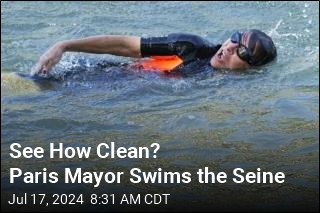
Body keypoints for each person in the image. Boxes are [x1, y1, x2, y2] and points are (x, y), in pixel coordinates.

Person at [31, 29, 277, 77]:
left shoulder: (232, 90)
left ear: (250, 69)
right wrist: (63, 45)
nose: (229, 48)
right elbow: (125, 46)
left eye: (241, 52)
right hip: (95, 79)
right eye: (235, 39)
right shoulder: (189, 46)